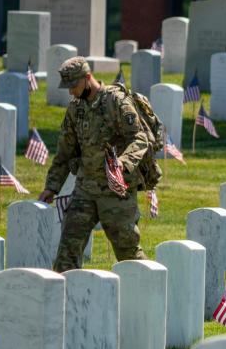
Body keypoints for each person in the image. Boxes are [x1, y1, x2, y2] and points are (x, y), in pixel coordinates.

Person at [38, 57, 151, 272]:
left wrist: (122, 163)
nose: (71, 91)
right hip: (85, 190)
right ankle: (63, 300)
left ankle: (153, 292)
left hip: (116, 190)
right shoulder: (75, 109)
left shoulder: (116, 102)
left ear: (87, 78)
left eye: (73, 85)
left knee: (128, 252)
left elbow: (139, 138)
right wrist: (51, 187)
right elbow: (65, 152)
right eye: (68, 87)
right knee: (68, 249)